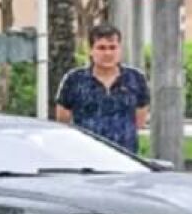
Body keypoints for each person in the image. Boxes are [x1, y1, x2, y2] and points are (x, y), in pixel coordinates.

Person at [55, 24, 150, 153]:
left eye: (112, 48)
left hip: (126, 156)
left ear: (119, 49)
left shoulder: (136, 79)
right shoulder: (74, 79)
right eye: (101, 48)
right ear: (91, 50)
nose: (108, 53)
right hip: (86, 155)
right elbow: (63, 119)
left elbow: (140, 119)